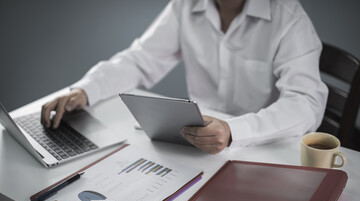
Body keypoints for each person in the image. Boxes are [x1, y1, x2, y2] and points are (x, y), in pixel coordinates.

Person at [41, 0, 328, 154]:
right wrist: (86, 89)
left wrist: (235, 131)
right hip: (197, 143)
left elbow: (306, 103)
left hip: (267, 147)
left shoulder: (289, 17)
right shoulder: (185, 5)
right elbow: (141, 59)